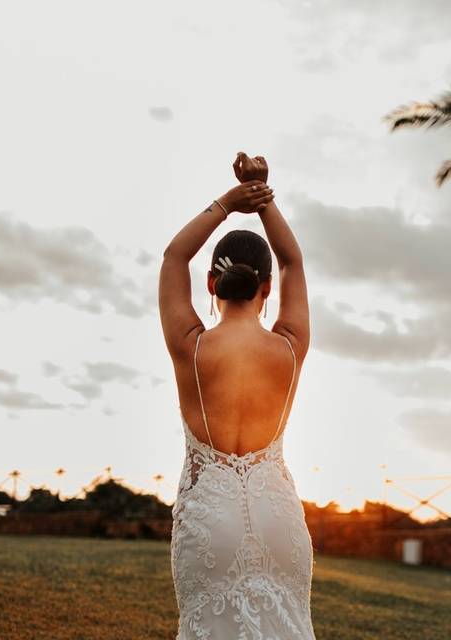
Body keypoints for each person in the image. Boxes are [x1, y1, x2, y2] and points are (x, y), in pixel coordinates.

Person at [158, 152, 315, 639]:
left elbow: (173, 256)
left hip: (211, 516)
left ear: (212, 283)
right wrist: (263, 200)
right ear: (267, 286)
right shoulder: (289, 345)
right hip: (278, 516)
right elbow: (293, 259)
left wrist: (229, 202)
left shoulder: (193, 345)